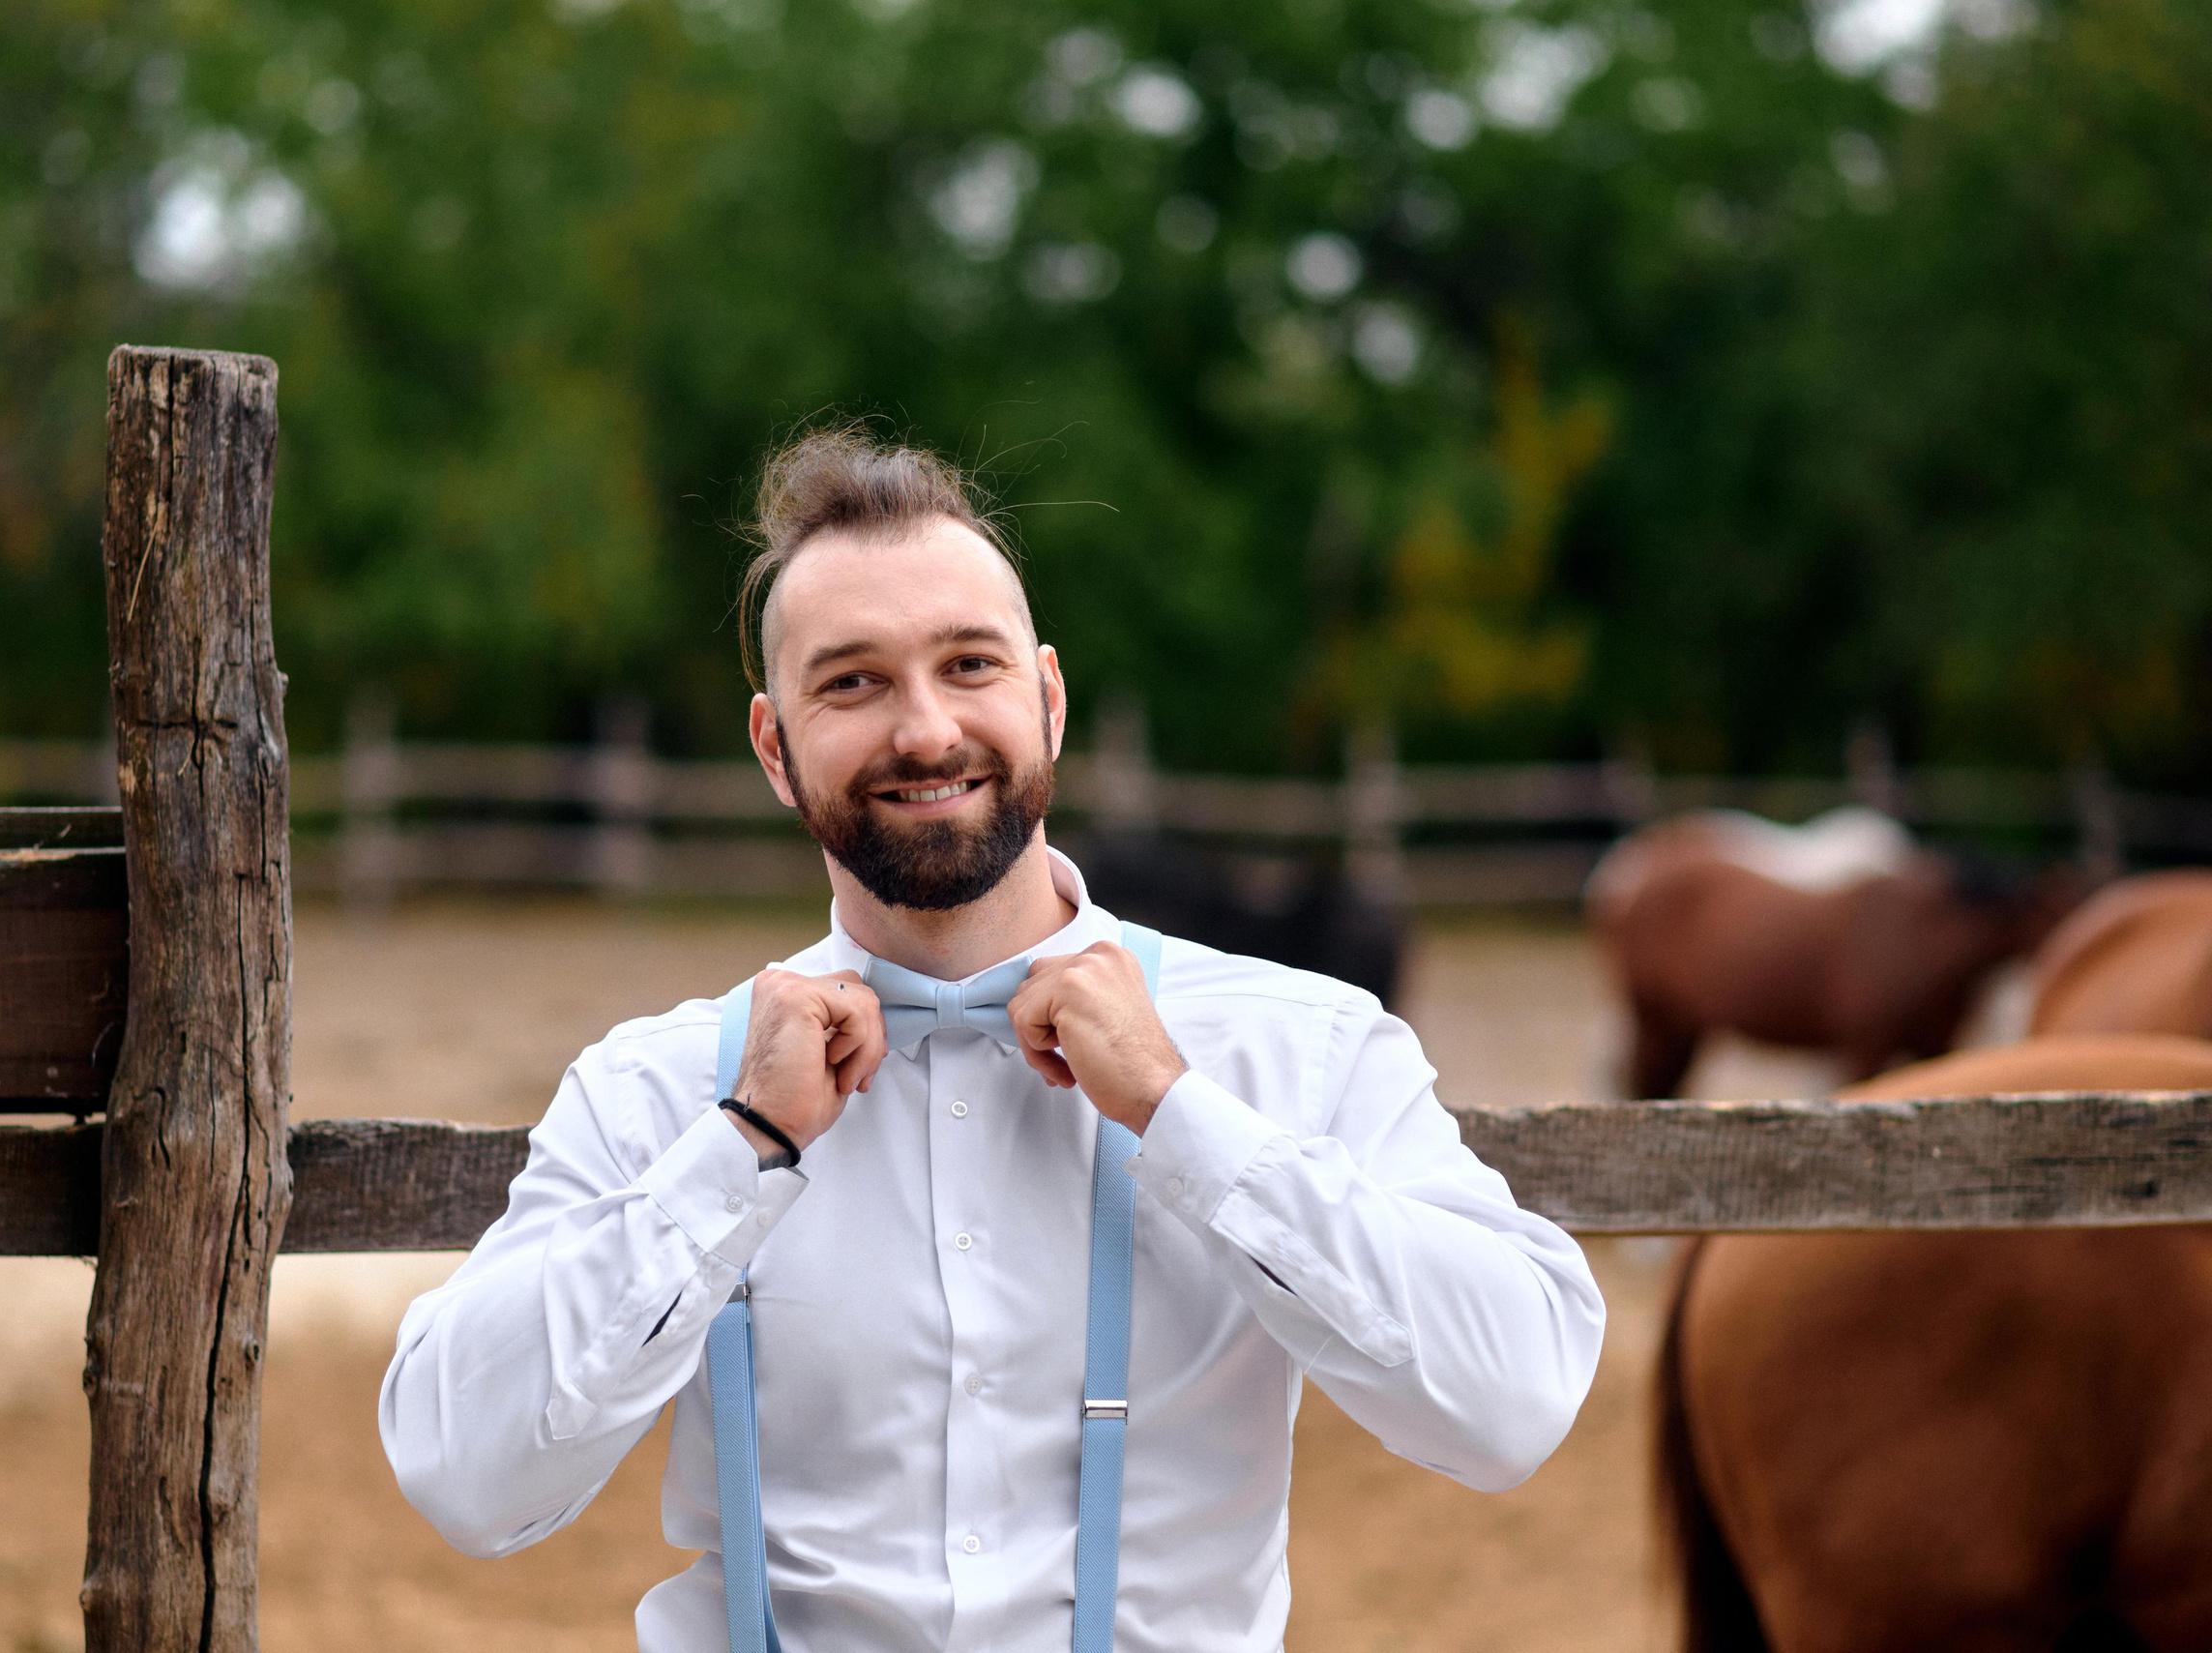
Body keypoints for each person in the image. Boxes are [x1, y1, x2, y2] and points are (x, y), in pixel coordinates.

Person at [379, 427, 1606, 1651]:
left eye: (969, 664)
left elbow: (1512, 1404)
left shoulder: (1306, 1047)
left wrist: (1185, 1115)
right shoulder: (654, 1086)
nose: (924, 730)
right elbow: (465, 1477)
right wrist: (735, 1148)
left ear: (1048, 698)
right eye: (851, 681)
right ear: (772, 746)